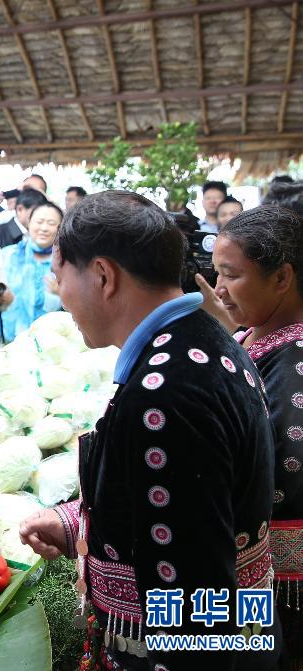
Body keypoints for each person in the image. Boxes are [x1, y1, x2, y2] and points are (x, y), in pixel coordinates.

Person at [20, 191, 280, 671]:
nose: (59, 293)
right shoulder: (204, 338)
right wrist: (79, 520)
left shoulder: (165, 391)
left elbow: (194, 601)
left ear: (102, 275)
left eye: (60, 276)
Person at [211, 205, 303, 667]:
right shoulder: (255, 335)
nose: (219, 290)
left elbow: (278, 479)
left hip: (282, 589)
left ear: (282, 277)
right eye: (215, 274)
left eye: (231, 275)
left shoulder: (293, 368)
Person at [0, 202, 62, 341]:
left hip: (51, 343)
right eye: (39, 222)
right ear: (29, 224)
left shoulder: (67, 263)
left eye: (51, 223)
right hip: (8, 340)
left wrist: (63, 293)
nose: (44, 228)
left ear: (60, 228)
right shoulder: (7, 255)